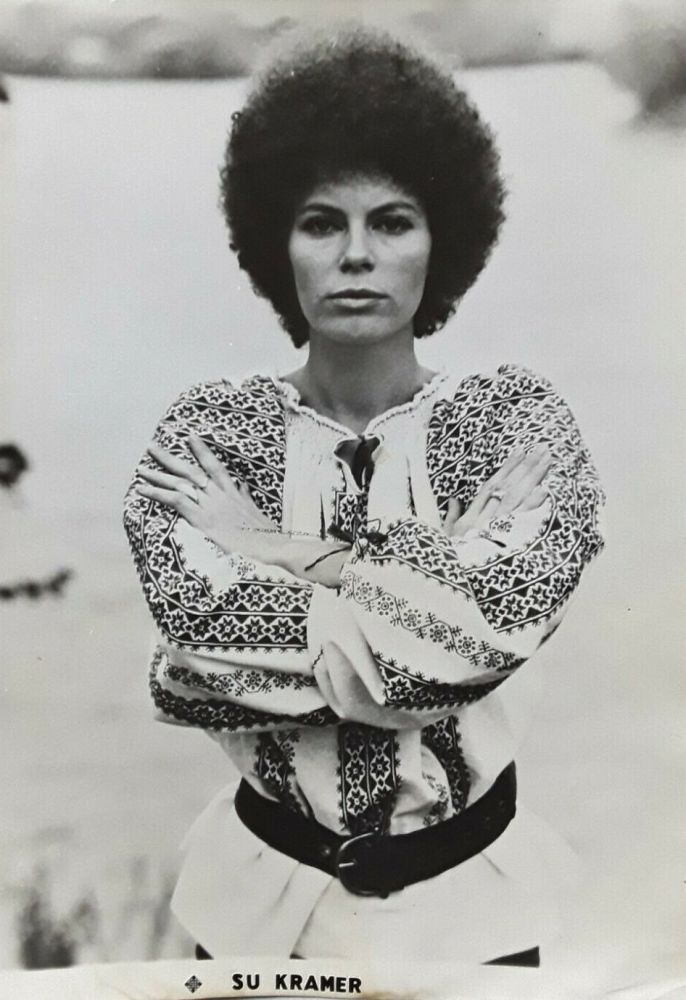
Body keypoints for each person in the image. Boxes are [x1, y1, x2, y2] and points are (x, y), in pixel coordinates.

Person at [123, 25, 605, 967]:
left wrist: (277, 554)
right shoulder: (208, 435)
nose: (355, 254)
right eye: (320, 223)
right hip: (261, 915)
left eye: (391, 221)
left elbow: (460, 651)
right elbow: (199, 651)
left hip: (476, 916)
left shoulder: (516, 426)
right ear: (277, 242)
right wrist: (419, 600)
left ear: (441, 237)